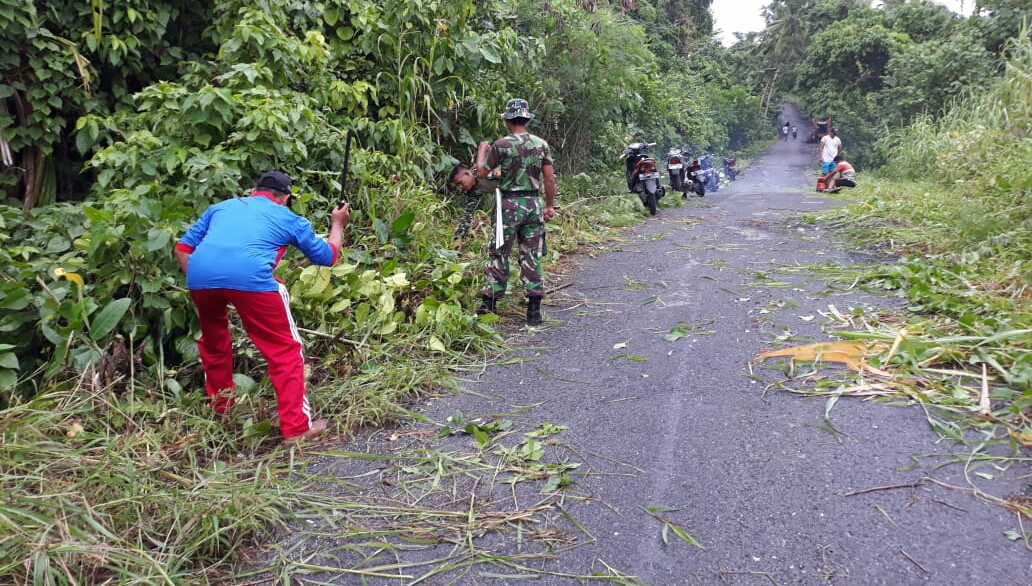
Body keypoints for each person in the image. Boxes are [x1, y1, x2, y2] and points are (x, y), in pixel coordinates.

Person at [174, 171, 350, 444]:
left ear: (254, 191)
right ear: (285, 198)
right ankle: (296, 428)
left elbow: (182, 249)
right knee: (285, 350)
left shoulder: (220, 208)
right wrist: (338, 224)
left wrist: (209, 282)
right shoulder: (287, 217)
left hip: (200, 278)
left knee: (214, 343)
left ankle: (222, 410)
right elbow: (328, 256)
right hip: (252, 280)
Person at [475, 98, 557, 326]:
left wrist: (482, 151)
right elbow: (549, 179)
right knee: (532, 255)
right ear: (526, 119)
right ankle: (534, 311)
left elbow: (481, 173)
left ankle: (490, 305)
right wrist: (549, 206)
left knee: (499, 252)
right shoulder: (541, 144)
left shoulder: (501, 144)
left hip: (508, 206)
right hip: (533, 204)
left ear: (508, 120)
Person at [448, 164, 499, 250]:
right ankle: (497, 247)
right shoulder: (472, 190)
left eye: (460, 182)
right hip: (506, 193)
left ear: (467, 174)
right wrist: (458, 238)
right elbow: (467, 215)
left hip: (519, 186)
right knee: (495, 217)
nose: (460, 187)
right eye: (457, 185)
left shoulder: (485, 171)